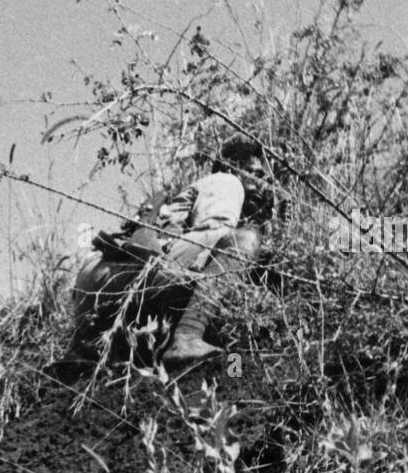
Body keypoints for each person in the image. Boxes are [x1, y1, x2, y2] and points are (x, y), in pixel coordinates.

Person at [65, 136, 272, 371]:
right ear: (230, 165)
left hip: (98, 288)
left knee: (228, 284)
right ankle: (187, 336)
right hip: (129, 273)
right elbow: (214, 229)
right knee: (245, 240)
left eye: (265, 178)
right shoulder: (226, 180)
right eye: (254, 173)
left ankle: (86, 349)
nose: (262, 184)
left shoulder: (186, 200)